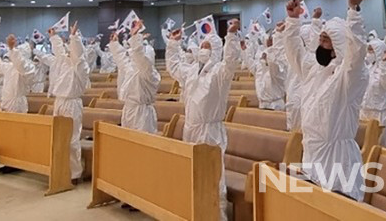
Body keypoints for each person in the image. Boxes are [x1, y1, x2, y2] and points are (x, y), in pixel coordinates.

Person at [281, 0, 369, 200]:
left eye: (326, 41)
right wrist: (293, 21)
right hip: (312, 154)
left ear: (338, 46)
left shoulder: (348, 78)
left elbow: (356, 53)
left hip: (338, 159)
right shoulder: (315, 71)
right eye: (320, 40)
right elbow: (294, 53)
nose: (320, 45)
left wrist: (354, 10)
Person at [166, 23, 242, 221]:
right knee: (192, 174)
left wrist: (232, 37)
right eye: (203, 45)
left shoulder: (219, 74)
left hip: (210, 131)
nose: (203, 49)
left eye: (208, 46)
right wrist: (174, 43)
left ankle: (216, 215)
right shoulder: (191, 71)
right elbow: (173, 66)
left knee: (214, 176)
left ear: (216, 51)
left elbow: (231, 61)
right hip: (190, 129)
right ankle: (194, 212)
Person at [42, 23, 90, 181]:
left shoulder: (81, 67)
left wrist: (74, 37)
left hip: (72, 104)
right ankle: (60, 168)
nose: (68, 51)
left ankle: (74, 173)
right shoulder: (63, 62)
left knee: (72, 138)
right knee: (58, 137)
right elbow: (59, 51)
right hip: (59, 102)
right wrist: (53, 36)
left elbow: (78, 54)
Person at [111, 20, 160, 133]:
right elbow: (121, 60)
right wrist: (114, 44)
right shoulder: (132, 70)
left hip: (142, 114)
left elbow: (140, 57)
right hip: (128, 110)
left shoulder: (149, 72)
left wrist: (135, 37)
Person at [360, 39, 386, 149]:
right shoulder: (368, 68)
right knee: (367, 149)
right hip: (366, 113)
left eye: (372, 50)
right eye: (369, 50)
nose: (369, 53)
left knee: (384, 150)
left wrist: (384, 62)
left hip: (382, 114)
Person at [0, 35, 36, 113]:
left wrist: (12, 49)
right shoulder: (10, 66)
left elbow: (21, 65)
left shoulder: (29, 67)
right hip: (6, 100)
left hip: (17, 104)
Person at [251, 33, 287, 110]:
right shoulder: (261, 65)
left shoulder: (280, 60)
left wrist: (271, 51)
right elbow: (253, 67)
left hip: (275, 104)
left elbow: (274, 68)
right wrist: (244, 51)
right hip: (263, 103)